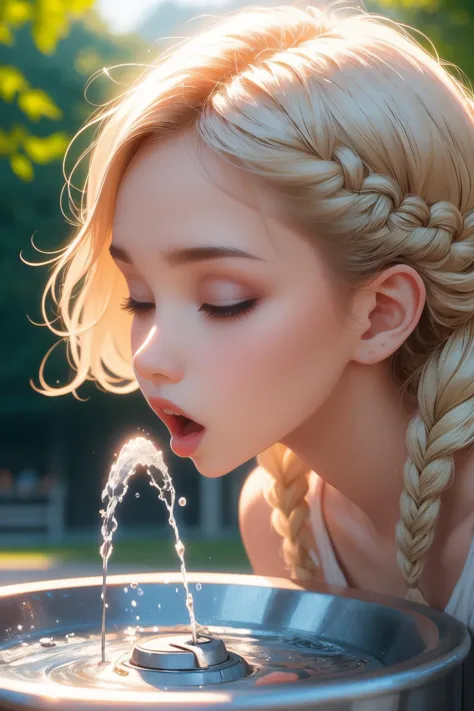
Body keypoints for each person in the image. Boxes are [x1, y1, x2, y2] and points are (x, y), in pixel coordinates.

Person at [29, 3, 474, 636]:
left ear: (380, 313)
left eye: (223, 299)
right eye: (140, 298)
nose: (150, 354)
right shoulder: (274, 519)